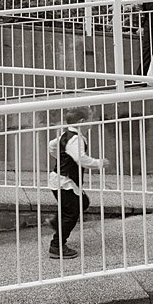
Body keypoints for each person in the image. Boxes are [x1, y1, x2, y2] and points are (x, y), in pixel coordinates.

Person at [45, 106, 110, 259]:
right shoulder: (76, 139)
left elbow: (51, 146)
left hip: (61, 180)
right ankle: (56, 246)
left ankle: (56, 222)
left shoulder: (67, 134)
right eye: (90, 119)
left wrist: (61, 156)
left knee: (82, 202)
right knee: (71, 214)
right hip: (65, 182)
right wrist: (99, 163)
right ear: (82, 121)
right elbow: (81, 159)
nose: (92, 122)